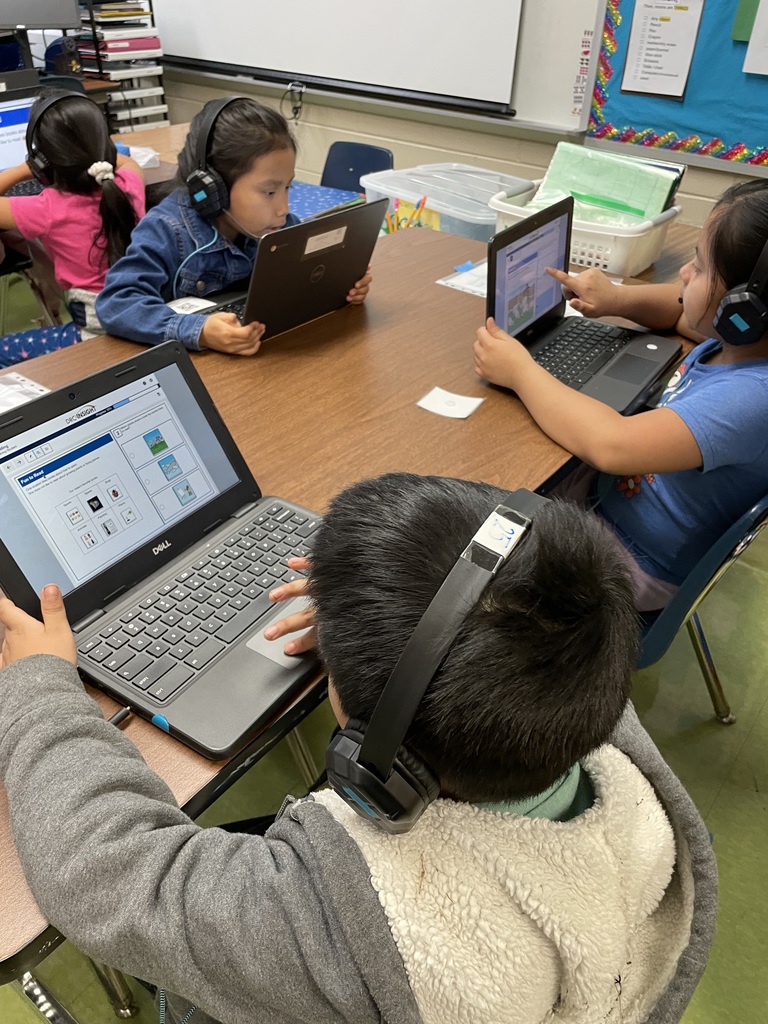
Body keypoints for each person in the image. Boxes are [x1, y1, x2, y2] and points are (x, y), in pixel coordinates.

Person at [0, 472, 713, 1024]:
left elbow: (106, 875)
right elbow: (496, 604)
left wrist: (41, 681)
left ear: (380, 756)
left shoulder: (347, 929)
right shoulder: (583, 696)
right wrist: (385, 621)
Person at [473, 179, 768, 611]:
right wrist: (617, 299)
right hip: (612, 506)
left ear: (745, 308)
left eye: (701, 267)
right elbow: (678, 304)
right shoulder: (741, 342)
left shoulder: (751, 399)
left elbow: (614, 447)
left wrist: (520, 371)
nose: (684, 274)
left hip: (630, 563)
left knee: (473, 522)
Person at [95, 97, 372, 356]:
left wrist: (339, 286)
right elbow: (117, 302)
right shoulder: (166, 229)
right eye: (270, 192)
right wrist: (199, 331)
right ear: (215, 188)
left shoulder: (276, 225)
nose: (284, 208)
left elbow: (302, 273)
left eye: (288, 187)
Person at [0, 89, 145, 343]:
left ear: (44, 163)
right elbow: (129, 163)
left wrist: (25, 169)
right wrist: (99, 154)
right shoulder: (128, 184)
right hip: (143, 313)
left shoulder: (47, 208)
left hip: (97, 334)